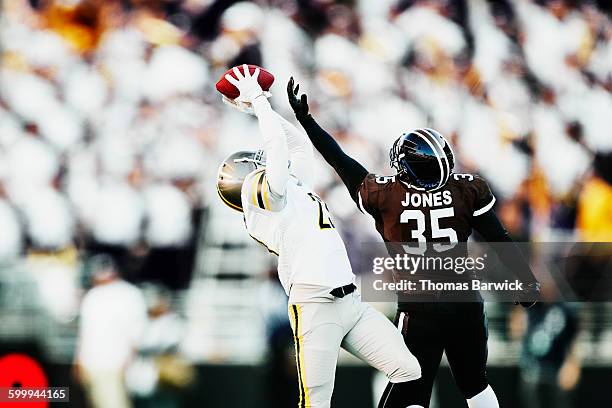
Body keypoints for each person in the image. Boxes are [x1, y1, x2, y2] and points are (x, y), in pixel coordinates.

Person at [286, 78, 540, 408]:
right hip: (466, 303)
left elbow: (340, 161)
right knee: (476, 386)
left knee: (410, 392)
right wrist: (524, 283)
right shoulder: (467, 190)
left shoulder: (387, 196)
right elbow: (499, 239)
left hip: (420, 310)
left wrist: (307, 120)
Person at [216, 65, 421, 408]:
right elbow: (279, 154)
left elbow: (297, 147)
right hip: (315, 306)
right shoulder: (263, 205)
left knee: (408, 370)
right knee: (316, 403)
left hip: (351, 302)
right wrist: (258, 102)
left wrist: (257, 109)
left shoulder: (291, 190)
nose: (262, 160)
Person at [74, 254, 147, 408]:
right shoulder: (93, 295)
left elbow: (137, 336)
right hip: (94, 366)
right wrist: (79, 361)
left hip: (116, 366)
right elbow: (85, 335)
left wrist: (128, 365)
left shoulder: (130, 294)